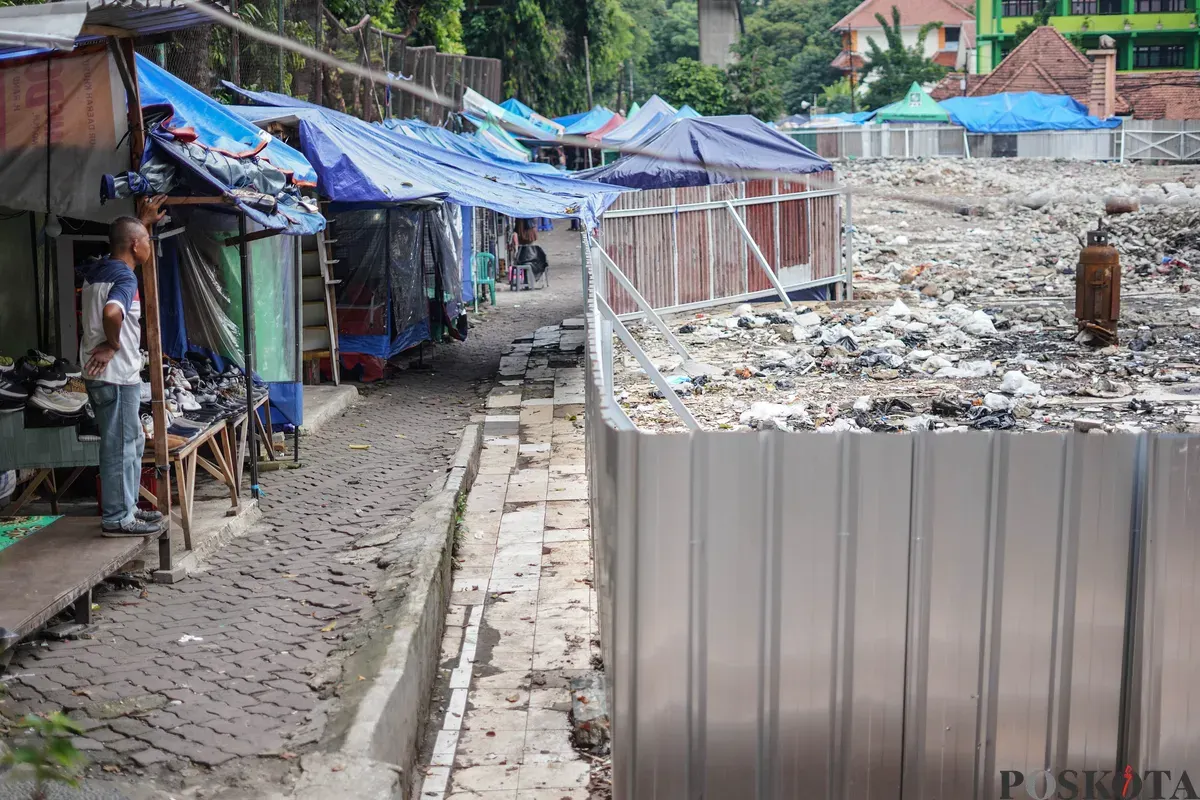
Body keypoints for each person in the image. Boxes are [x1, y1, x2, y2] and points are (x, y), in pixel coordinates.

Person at [79, 195, 168, 537]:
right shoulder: (126, 279)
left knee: (131, 442)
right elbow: (112, 313)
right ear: (134, 245)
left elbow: (131, 237)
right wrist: (113, 344)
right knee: (119, 445)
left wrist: (142, 221)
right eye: (146, 239)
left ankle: (128, 508)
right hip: (114, 376)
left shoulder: (99, 269)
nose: (149, 244)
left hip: (116, 376)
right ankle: (117, 517)